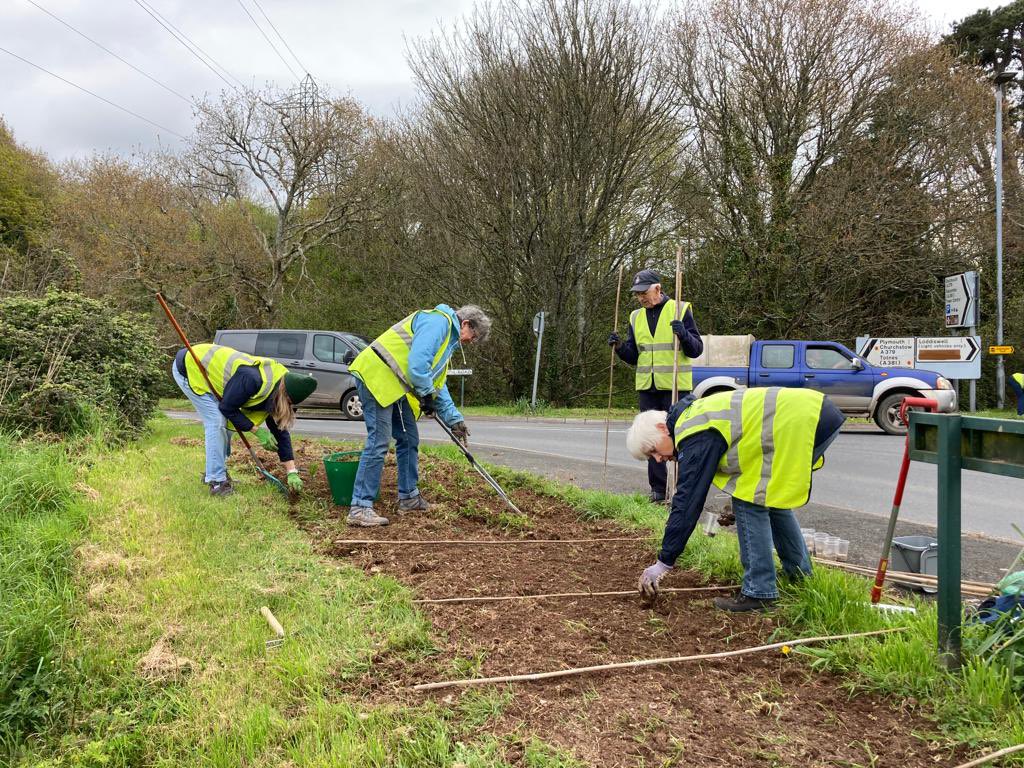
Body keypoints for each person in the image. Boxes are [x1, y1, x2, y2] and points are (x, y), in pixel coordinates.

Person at [625, 387, 846, 612]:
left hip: (803, 421)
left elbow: (687, 501)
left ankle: (759, 592)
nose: (659, 460)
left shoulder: (692, 432)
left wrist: (664, 562)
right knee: (770, 500)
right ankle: (799, 575)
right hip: (815, 413)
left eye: (653, 451)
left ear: (662, 428)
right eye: (651, 458)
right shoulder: (694, 416)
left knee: (749, 499)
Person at [346, 304, 492, 527]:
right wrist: (425, 395)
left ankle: (409, 497)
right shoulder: (438, 323)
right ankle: (359, 507)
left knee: (408, 438)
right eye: (474, 337)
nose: (471, 342)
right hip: (377, 376)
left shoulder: (447, 342)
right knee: (379, 441)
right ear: (465, 324)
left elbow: (437, 384)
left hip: (395, 384)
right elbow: (417, 365)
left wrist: (454, 419)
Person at [172, 343, 318, 496]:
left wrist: (291, 471)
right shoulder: (253, 379)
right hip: (191, 367)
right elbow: (227, 408)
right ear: (285, 395)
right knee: (217, 422)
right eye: (288, 403)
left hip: (214, 377)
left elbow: (280, 431)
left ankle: (217, 472)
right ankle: (216, 482)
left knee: (225, 427)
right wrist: (257, 431)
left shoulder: (283, 383)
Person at [609, 269, 703, 502]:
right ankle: (658, 490)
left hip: (675, 386)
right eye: (637, 294)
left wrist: (684, 334)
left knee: (680, 436)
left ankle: (683, 489)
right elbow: (634, 356)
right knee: (650, 439)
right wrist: (620, 347)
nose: (640, 297)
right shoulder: (635, 317)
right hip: (647, 387)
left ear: (658, 289)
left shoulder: (681, 310)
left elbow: (696, 350)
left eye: (644, 292)